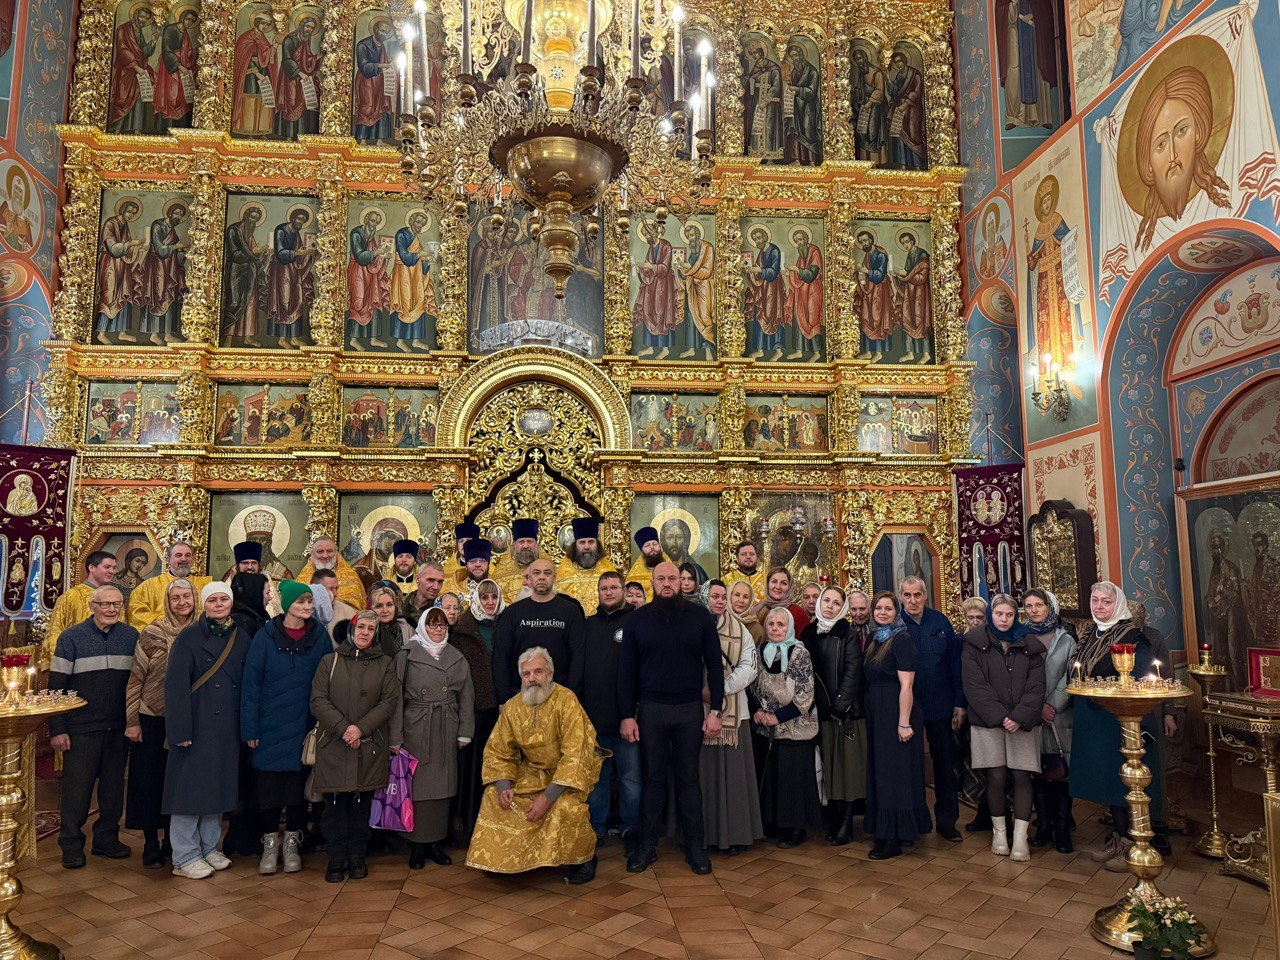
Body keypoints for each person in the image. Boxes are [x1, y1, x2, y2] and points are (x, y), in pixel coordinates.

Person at [619, 562, 724, 875]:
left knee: (688, 779)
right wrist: (627, 715)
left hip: (689, 708)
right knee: (652, 779)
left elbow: (715, 666)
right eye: (661, 578)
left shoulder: (700, 617)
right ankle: (647, 844)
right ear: (652, 582)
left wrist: (716, 710)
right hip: (651, 709)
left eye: (672, 578)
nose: (667, 583)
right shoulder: (637, 620)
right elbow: (626, 672)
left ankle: (694, 846)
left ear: (682, 582)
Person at [465, 647, 602, 883]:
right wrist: (503, 786)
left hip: (569, 774)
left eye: (538, 671)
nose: (532, 679)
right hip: (533, 771)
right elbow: (499, 751)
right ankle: (502, 858)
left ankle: (581, 859)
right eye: (526, 674)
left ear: (550, 673)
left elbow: (576, 754)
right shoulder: (513, 706)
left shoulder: (566, 700)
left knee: (565, 806)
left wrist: (547, 797)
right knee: (493, 797)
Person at [1073, 581, 1176, 872]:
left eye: (1106, 602)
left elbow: (1140, 676)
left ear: (1117, 604)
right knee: (1109, 783)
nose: (1099, 606)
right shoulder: (1090, 633)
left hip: (1120, 718)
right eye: (1095, 600)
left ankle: (1135, 844)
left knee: (1126, 782)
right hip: (1095, 719)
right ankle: (1119, 838)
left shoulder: (1132, 635)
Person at [241, 579, 331, 875]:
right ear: (287, 604)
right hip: (269, 724)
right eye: (301, 601)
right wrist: (250, 729)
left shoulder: (319, 636)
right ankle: (270, 844)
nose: (307, 606)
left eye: (309, 601)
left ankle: (292, 843)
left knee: (297, 789)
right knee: (268, 789)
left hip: (304, 725)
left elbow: (327, 680)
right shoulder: (265, 636)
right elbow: (251, 685)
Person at [163, 582, 251, 879]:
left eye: (223, 599)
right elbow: (175, 687)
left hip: (227, 726)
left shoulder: (241, 636)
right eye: (212, 600)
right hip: (197, 724)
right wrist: (179, 730)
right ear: (204, 604)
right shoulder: (189, 637)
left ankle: (208, 847)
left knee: (217, 787)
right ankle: (185, 855)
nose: (218, 604)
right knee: (189, 790)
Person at [49, 585, 138, 868]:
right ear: (92, 607)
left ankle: (106, 840)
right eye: (105, 604)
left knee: (113, 791)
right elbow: (56, 687)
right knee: (77, 790)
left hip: (118, 728)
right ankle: (71, 844)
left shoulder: (131, 636)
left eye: (117, 604)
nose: (111, 609)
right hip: (81, 727)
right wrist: (58, 728)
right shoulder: (71, 637)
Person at [310, 609, 401, 882]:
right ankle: (336, 858)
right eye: (361, 627)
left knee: (361, 806)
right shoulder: (330, 661)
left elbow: (388, 702)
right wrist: (344, 729)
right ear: (351, 629)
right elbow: (318, 700)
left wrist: (360, 728)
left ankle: (357, 856)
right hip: (334, 745)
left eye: (371, 629)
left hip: (368, 744)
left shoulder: (385, 664)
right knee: (335, 807)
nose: (365, 632)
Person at [962, 594, 1046, 863]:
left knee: (1022, 776)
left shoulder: (1030, 644)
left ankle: (1020, 838)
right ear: (991, 615)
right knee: (995, 776)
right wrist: (999, 716)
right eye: (999, 614)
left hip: (1022, 722)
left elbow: (1037, 685)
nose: (1004, 619)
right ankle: (999, 833)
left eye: (1009, 615)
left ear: (1016, 616)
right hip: (988, 722)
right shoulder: (974, 643)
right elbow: (974, 685)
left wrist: (1018, 716)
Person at [391, 607, 474, 869]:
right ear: (423, 627)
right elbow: (395, 698)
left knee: (442, 787)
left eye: (442, 625)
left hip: (446, 727)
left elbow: (466, 696)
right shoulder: (407, 655)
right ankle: (416, 844)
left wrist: (465, 730)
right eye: (432, 624)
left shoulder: (456, 656)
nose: (438, 629)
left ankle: (436, 842)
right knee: (417, 787)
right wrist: (395, 735)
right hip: (416, 728)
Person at [125, 578, 195, 868]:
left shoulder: (201, 632)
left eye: (186, 596)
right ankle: (151, 842)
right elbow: (135, 678)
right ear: (167, 602)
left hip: (187, 719)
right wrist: (132, 721)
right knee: (148, 781)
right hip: (152, 717)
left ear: (195, 598)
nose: (181, 602)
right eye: (175, 597)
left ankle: (171, 840)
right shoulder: (152, 632)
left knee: (177, 782)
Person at [862, 591, 931, 859]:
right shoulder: (874, 639)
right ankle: (895, 830)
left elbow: (907, 685)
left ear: (896, 612)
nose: (882, 613)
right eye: (878, 608)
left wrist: (903, 723)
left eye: (888, 609)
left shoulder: (902, 639)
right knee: (882, 771)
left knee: (894, 774)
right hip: (877, 713)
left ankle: (891, 839)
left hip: (896, 712)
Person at [898, 575, 963, 841]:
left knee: (945, 764)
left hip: (941, 703)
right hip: (908, 707)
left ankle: (947, 822)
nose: (913, 600)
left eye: (917, 595)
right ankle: (914, 820)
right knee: (909, 765)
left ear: (925, 595)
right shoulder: (895, 624)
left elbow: (955, 663)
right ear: (901, 597)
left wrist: (959, 701)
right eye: (907, 595)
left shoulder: (940, 622)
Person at [700, 581, 762, 855]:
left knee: (735, 777)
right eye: (714, 596)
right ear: (704, 597)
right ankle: (704, 834)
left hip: (735, 715)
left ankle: (735, 834)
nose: (720, 601)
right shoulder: (693, 624)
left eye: (723, 597)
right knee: (704, 776)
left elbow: (750, 666)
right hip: (698, 711)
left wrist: (719, 689)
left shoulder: (739, 629)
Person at [800, 586, 866, 846]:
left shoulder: (847, 634)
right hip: (817, 712)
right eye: (826, 600)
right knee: (829, 768)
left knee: (846, 769)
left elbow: (852, 672)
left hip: (843, 713)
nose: (829, 606)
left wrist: (840, 706)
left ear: (843, 608)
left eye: (836, 603)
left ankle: (847, 823)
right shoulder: (808, 633)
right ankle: (834, 818)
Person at [752, 607, 821, 848]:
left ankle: (796, 827)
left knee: (792, 780)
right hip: (766, 727)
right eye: (771, 624)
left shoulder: (799, 653)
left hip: (794, 726)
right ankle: (774, 824)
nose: (775, 629)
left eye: (781, 625)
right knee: (773, 778)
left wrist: (778, 717)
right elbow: (752, 686)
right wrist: (758, 711)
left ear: (789, 627)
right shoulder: (760, 651)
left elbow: (805, 695)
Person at [582, 572, 639, 845]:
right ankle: (596, 827)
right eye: (603, 588)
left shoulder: (636, 622)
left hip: (627, 718)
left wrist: (634, 713)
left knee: (630, 778)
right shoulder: (587, 625)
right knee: (597, 779)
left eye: (614, 587)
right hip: (594, 717)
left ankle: (631, 827)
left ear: (624, 591)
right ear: (598, 592)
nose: (608, 592)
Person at [1022, 588, 1077, 854]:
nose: (1033, 610)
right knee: (1037, 773)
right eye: (1028, 606)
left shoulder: (1066, 639)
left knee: (1061, 773)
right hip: (1031, 715)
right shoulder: (1020, 636)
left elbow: (1072, 675)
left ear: (1050, 607)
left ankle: (1062, 829)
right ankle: (1043, 826)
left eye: (1039, 605)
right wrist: (1035, 707)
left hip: (1059, 715)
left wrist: (1052, 704)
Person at [449, 580, 502, 842]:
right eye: (484, 598)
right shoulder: (464, 629)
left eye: (494, 597)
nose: (490, 602)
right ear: (476, 600)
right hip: (475, 708)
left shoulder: (506, 623)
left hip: (502, 707)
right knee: (473, 768)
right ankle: (469, 824)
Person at [493, 558, 586, 701]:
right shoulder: (512, 612)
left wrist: (571, 695)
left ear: (554, 577)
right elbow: (501, 657)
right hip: (520, 697)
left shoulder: (570, 611)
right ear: (529, 578)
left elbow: (578, 656)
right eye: (536, 573)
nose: (541, 577)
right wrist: (503, 698)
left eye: (547, 573)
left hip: (560, 697)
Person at [44, 551, 118, 664]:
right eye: (107, 567)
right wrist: (61, 663)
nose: (112, 571)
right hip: (78, 661)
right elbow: (55, 630)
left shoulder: (115, 597)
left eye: (114, 568)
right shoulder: (71, 596)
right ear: (92, 568)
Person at [126, 541, 209, 630]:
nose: (184, 559)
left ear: (192, 560)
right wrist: (168, 622)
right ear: (168, 560)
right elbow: (136, 614)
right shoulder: (148, 586)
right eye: (178, 555)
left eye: (188, 555)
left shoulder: (206, 585)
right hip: (162, 635)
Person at [556, 517, 618, 609]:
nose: (587, 547)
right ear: (575, 546)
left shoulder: (608, 571)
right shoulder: (562, 574)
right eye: (582, 542)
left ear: (597, 544)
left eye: (591, 542)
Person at [298, 537, 365, 609]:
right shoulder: (303, 578)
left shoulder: (350, 577)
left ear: (336, 553)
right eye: (320, 551)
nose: (325, 555)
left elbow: (354, 603)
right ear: (312, 553)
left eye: (329, 551)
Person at [492, 518, 540, 602]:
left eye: (529, 542)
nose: (525, 546)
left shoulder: (547, 571)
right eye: (521, 542)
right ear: (515, 545)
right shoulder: (500, 577)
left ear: (536, 544)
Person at [755, 567, 810, 633]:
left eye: (784, 583)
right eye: (774, 581)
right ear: (767, 584)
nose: (778, 587)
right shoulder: (758, 610)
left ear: (790, 587)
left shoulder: (798, 613)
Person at [625, 527, 663, 602]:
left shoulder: (670, 568)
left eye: (655, 544)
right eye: (647, 545)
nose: (652, 547)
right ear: (642, 550)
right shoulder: (634, 576)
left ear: (660, 546)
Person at [402, 559, 445, 624]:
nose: (436, 587)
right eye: (430, 580)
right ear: (418, 579)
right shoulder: (399, 604)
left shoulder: (444, 608)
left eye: (440, 582)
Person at [730, 581, 764, 645]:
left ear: (750, 601)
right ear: (730, 596)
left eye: (745, 597)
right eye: (737, 595)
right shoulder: (720, 621)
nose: (741, 600)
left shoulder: (756, 629)